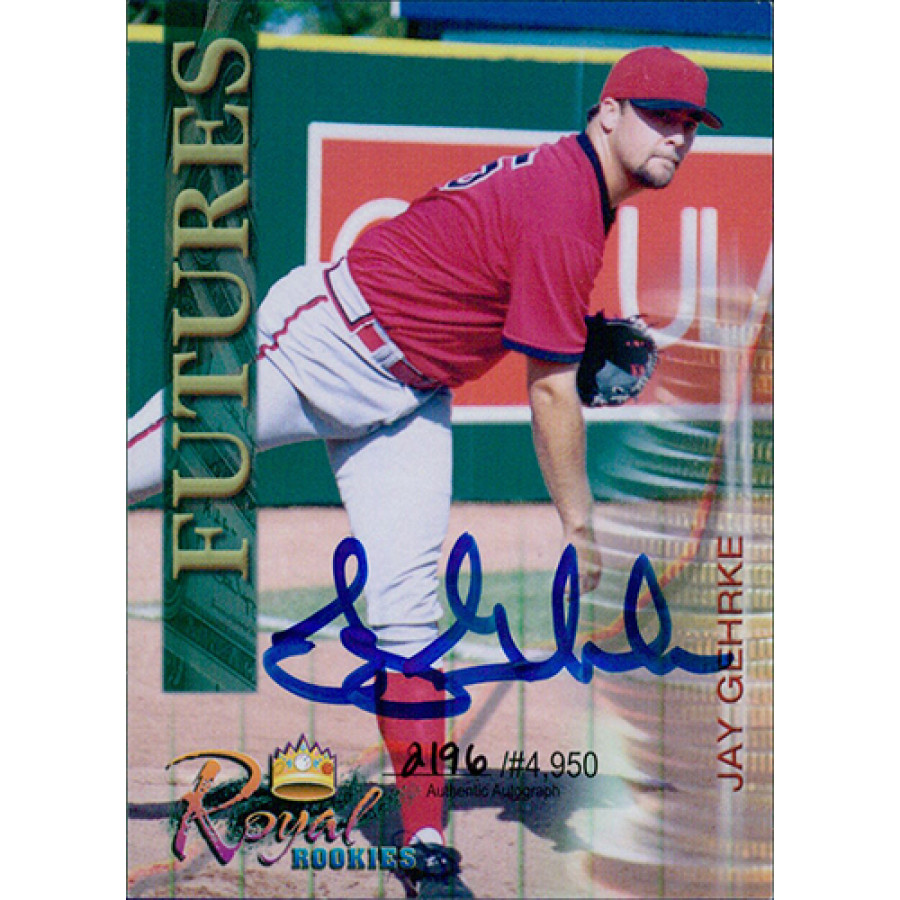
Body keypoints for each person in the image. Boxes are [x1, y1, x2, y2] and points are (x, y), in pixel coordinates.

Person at [127, 46, 722, 899]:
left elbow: (474, 261)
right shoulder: (566, 205)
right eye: (660, 114)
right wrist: (580, 524)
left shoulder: (579, 195)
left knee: (409, 617)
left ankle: (425, 838)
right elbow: (550, 392)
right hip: (316, 343)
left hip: (410, 397)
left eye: (691, 123)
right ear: (607, 113)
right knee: (132, 467)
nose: (677, 135)